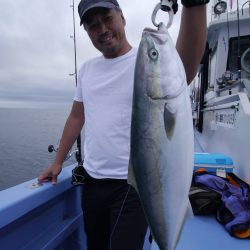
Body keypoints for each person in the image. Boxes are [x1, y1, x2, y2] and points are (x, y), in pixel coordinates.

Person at [38, 0, 208, 249]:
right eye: (93, 25)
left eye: (107, 18)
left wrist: (195, 6)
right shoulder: (87, 70)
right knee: (96, 244)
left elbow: (187, 68)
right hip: (92, 180)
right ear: (86, 32)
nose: (103, 29)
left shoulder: (148, 61)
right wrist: (57, 161)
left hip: (133, 185)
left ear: (122, 17)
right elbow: (76, 117)